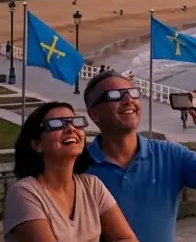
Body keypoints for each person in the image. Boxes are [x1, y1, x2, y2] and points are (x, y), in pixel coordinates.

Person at [80, 73, 196, 242]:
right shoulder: (78, 166)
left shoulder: (169, 154)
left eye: (133, 93)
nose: (128, 100)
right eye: (115, 95)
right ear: (94, 114)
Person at [3, 101, 138, 242]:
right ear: (37, 144)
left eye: (75, 122)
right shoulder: (24, 193)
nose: (70, 128)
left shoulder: (92, 186)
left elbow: (126, 238)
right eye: (56, 124)